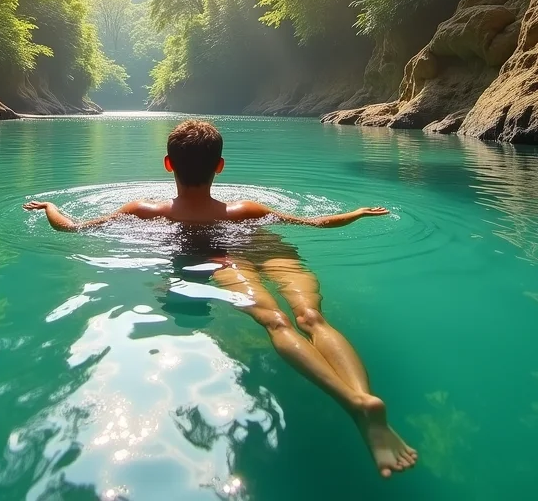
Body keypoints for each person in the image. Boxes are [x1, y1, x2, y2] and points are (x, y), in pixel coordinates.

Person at [23, 119, 418, 479]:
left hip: (224, 258)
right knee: (312, 317)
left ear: (168, 164)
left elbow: (71, 229)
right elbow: (315, 222)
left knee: (275, 322)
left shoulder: (144, 211)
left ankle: (355, 404)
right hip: (262, 243)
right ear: (220, 166)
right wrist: (357, 213)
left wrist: (50, 207)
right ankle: (365, 397)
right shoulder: (249, 208)